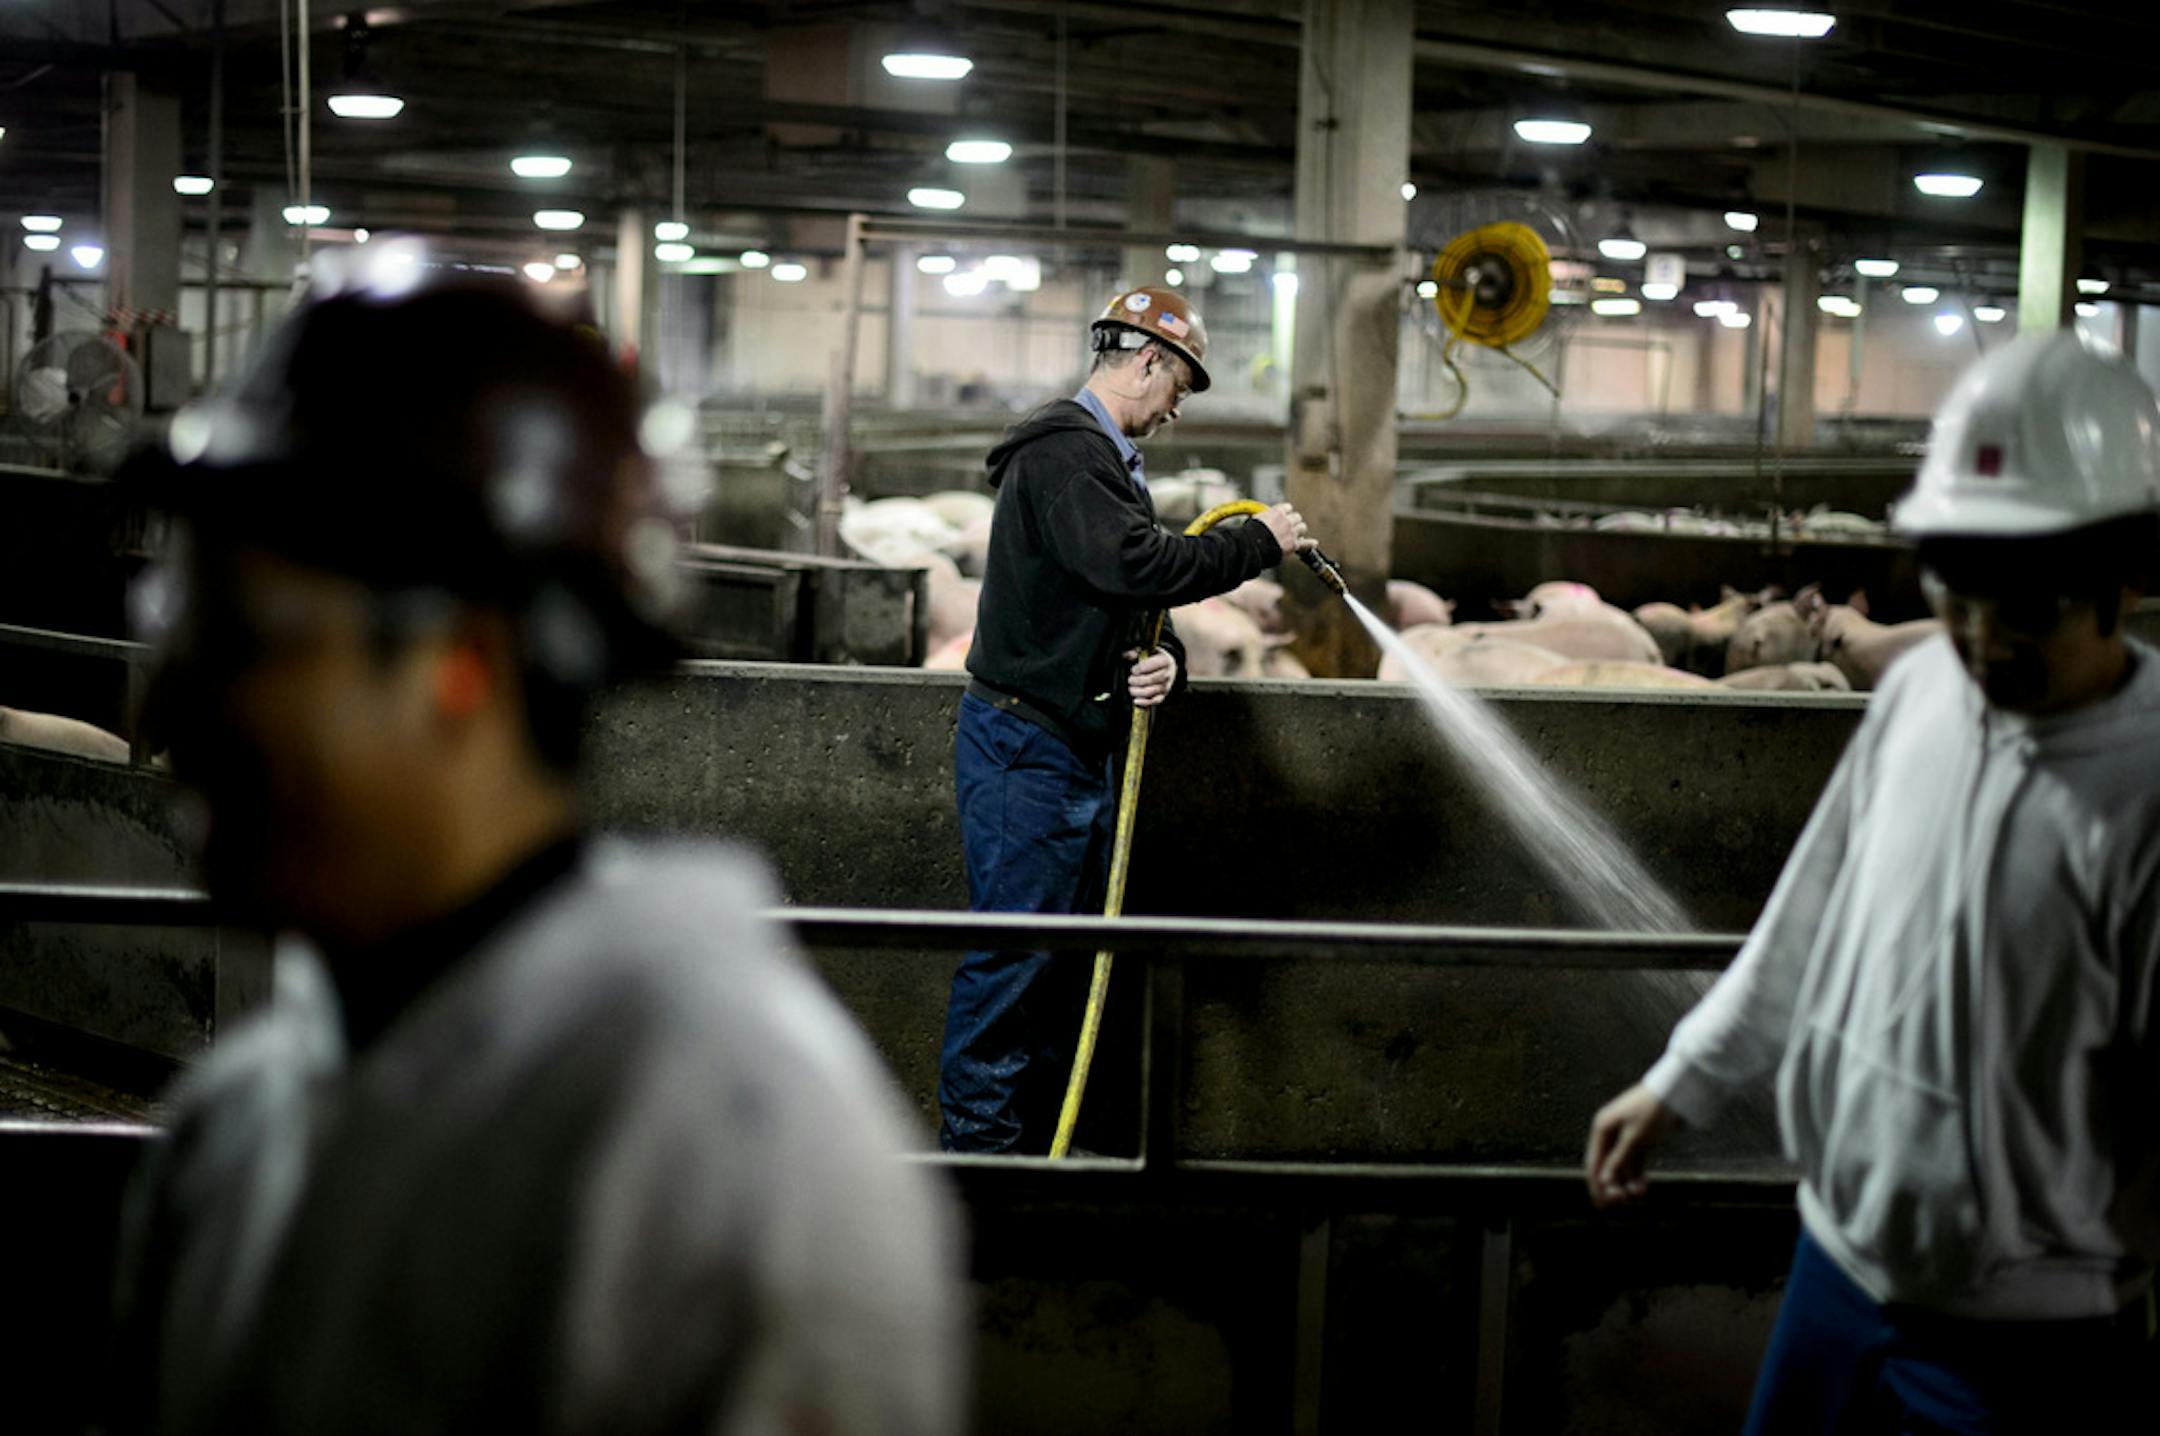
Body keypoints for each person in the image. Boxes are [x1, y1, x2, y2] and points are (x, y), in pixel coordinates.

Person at [109, 262, 966, 1436]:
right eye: (171, 629)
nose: (166, 711)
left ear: (459, 661)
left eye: (241, 638)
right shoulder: (232, 1124)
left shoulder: (728, 1160)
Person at [1584, 329, 2160, 1432]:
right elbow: (1814, 914)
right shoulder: (1921, 695)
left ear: (2128, 571)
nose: (1984, 636)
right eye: (1961, 588)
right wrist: (1684, 1074)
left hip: (2031, 1334)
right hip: (1836, 1263)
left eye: (2028, 600)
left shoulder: (2147, 789)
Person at [938, 285, 1313, 1154]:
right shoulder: (1068, 455)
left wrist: (1162, 660)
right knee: (1014, 959)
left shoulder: (1102, 465)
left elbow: (1124, 599)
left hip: (1070, 744)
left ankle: (1034, 1149)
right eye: (1180, 385)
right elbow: (1130, 562)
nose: (1177, 408)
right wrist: (1258, 543)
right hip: (1025, 751)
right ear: (1147, 359)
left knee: (1055, 961)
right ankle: (981, 1164)